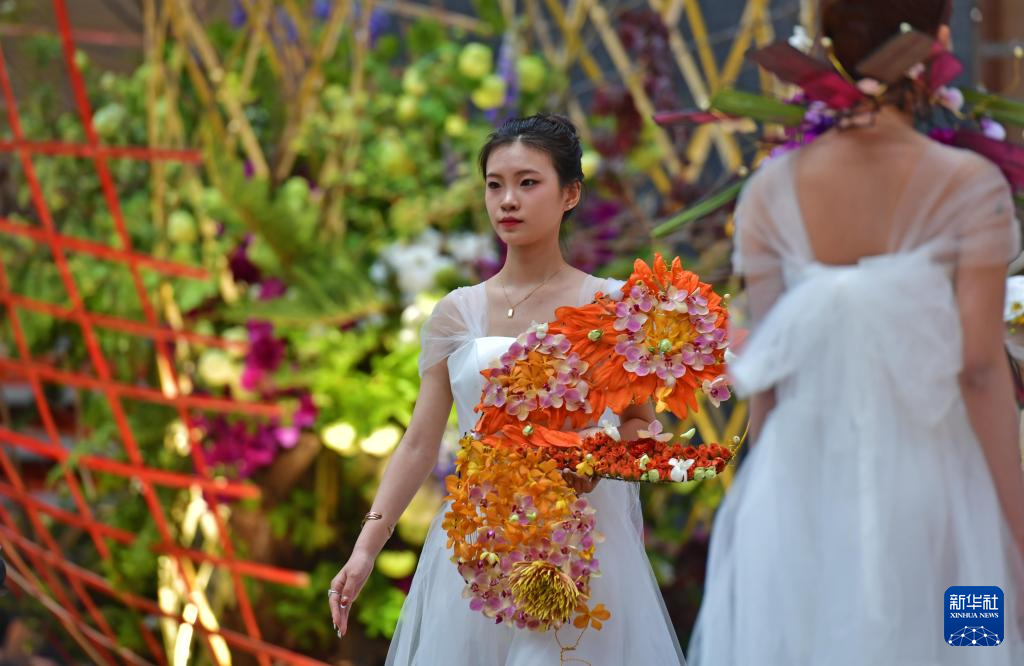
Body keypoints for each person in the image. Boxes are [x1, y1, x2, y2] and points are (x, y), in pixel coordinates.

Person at [689, 1, 1024, 664]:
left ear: (823, 45)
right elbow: (981, 372)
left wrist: (761, 502)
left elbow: (771, 375)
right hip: (942, 490)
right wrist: (1014, 529)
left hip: (802, 486)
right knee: (969, 642)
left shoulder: (769, 193)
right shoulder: (970, 186)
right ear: (936, 42)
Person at [328, 114, 686, 665]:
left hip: (578, 546)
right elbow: (420, 443)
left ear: (570, 194)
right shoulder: (457, 312)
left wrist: (599, 457)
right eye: (495, 185)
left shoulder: (613, 308)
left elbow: (638, 422)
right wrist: (365, 549)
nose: (507, 201)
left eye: (528, 182)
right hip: (481, 546)